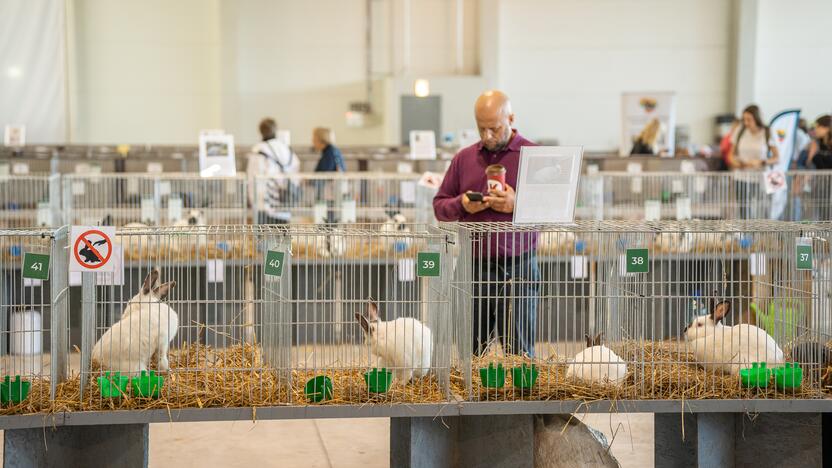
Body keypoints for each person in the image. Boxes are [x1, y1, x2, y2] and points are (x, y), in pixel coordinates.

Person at [433, 90, 539, 357]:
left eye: (494, 128)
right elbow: (440, 206)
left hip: (519, 265)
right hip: (474, 265)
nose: (487, 136)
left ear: (511, 118)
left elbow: (554, 210)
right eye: (482, 129)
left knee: (519, 350)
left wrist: (518, 204)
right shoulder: (464, 159)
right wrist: (462, 205)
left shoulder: (533, 156)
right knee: (470, 350)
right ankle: (473, 397)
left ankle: (521, 396)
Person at [728, 105, 779, 219]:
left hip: (762, 177)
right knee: (744, 210)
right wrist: (736, 163)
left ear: (757, 118)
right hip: (741, 177)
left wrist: (761, 162)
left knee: (763, 210)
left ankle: (763, 235)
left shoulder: (767, 132)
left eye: (749, 119)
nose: (746, 123)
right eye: (744, 119)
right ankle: (747, 235)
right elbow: (731, 155)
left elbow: (777, 158)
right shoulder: (740, 130)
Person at [246, 118, 300, 224]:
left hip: (265, 203)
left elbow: (253, 177)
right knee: (283, 236)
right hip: (285, 200)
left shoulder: (259, 150)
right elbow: (295, 168)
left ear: (260, 131)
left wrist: (252, 200)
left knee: (264, 237)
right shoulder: (285, 148)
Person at [807, 115, 832, 220]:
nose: (815, 130)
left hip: (829, 187)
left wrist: (814, 154)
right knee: (823, 216)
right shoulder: (818, 143)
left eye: (817, 127)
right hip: (821, 186)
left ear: (826, 128)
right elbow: (809, 163)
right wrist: (812, 153)